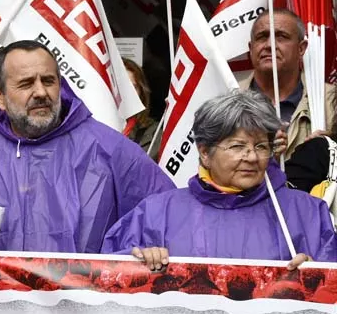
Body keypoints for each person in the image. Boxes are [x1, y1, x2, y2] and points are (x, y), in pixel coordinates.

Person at [0, 40, 173, 260]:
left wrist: (143, 248)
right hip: (2, 294)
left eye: (48, 81)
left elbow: (167, 215)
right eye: (26, 84)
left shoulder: (109, 148)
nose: (40, 92)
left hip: (87, 293)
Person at [105, 90, 337, 268]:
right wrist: (137, 262)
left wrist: (316, 274)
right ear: (205, 152)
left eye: (261, 146)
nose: (252, 157)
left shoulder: (308, 212)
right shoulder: (156, 213)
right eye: (237, 146)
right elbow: (105, 273)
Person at [242, 8, 335, 159]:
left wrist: (328, 150)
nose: (269, 45)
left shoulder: (330, 101)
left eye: (281, 37)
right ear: (250, 49)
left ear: (301, 48)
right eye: (262, 37)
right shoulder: (226, 100)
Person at [122, 58, 159, 153]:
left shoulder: (154, 133)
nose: (127, 92)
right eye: (122, 85)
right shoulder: (94, 128)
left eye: (133, 87)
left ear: (141, 92)